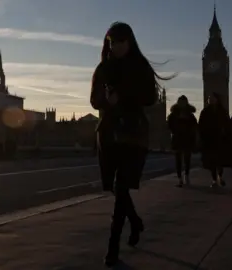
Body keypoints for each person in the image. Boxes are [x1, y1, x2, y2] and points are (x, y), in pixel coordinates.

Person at [90, 22, 175, 268]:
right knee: (118, 188)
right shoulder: (103, 69)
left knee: (121, 185)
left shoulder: (141, 67)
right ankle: (135, 221)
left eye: (119, 41)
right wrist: (106, 101)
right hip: (108, 135)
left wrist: (124, 97)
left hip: (133, 134)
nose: (115, 46)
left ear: (129, 42)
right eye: (111, 42)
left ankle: (113, 247)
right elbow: (94, 101)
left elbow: (150, 97)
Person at [198, 93, 232, 188]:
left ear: (217, 99)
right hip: (209, 140)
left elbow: (227, 125)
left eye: (212, 98)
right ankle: (214, 179)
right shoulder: (205, 112)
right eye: (209, 98)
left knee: (220, 161)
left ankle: (219, 177)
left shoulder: (222, 112)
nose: (210, 99)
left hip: (220, 139)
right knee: (212, 162)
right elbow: (200, 125)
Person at [167, 95, 198, 187]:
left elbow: (195, 126)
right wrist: (174, 131)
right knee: (178, 159)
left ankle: (186, 175)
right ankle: (180, 178)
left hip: (187, 138)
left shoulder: (190, 115)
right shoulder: (173, 115)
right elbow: (169, 124)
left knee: (187, 159)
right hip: (178, 138)